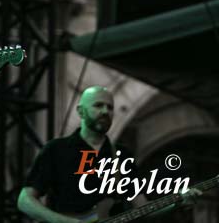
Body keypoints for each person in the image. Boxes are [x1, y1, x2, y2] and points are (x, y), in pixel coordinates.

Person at [17, 86, 200, 223]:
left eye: (110, 107)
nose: (105, 111)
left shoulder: (121, 155)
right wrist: (63, 221)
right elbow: (25, 200)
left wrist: (177, 201)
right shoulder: (56, 150)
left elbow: (143, 208)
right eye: (98, 105)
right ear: (80, 111)